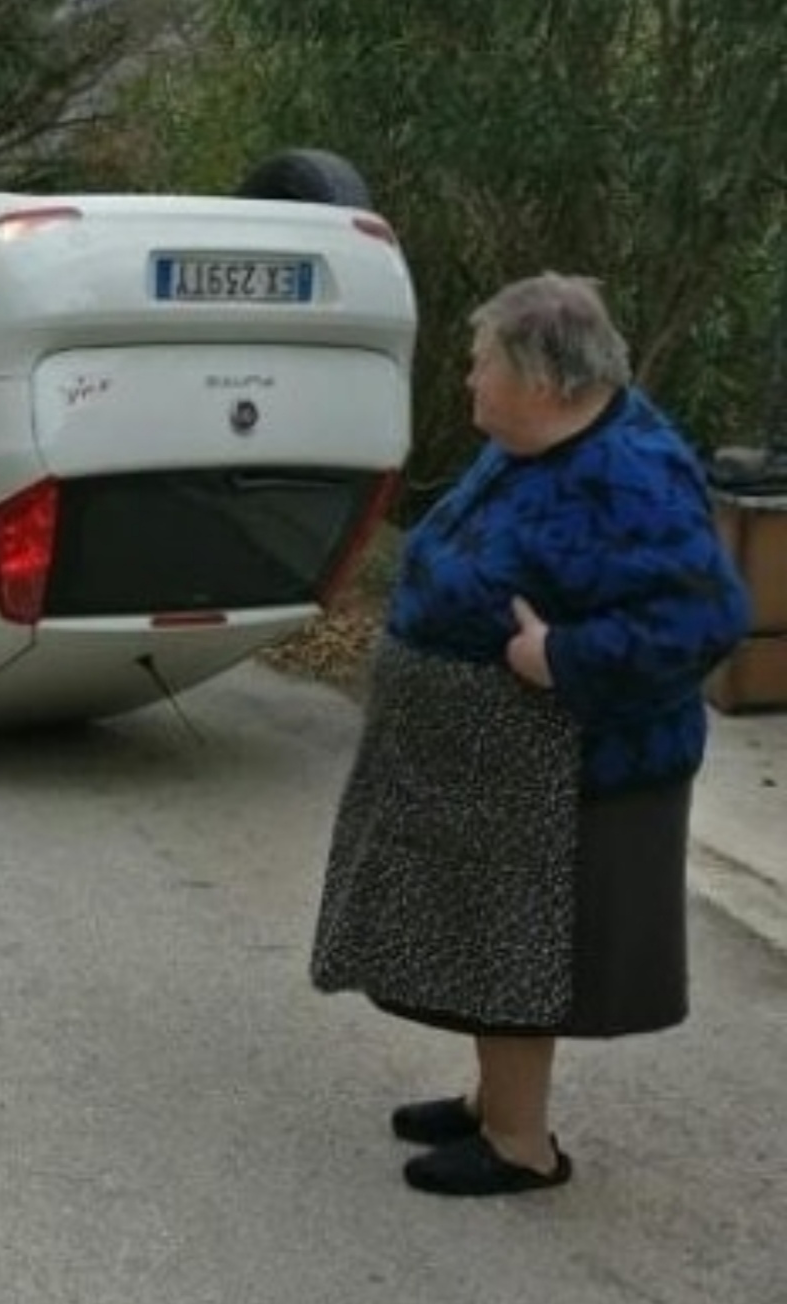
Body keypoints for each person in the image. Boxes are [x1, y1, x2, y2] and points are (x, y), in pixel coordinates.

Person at [310, 271, 751, 1197]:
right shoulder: (531, 439)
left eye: (483, 363)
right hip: (493, 761)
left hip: (572, 771)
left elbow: (705, 620)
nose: (468, 379)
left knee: (516, 946)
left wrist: (564, 656)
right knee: (484, 935)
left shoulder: (631, 474)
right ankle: (494, 1100)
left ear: (544, 380)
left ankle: (521, 1144)